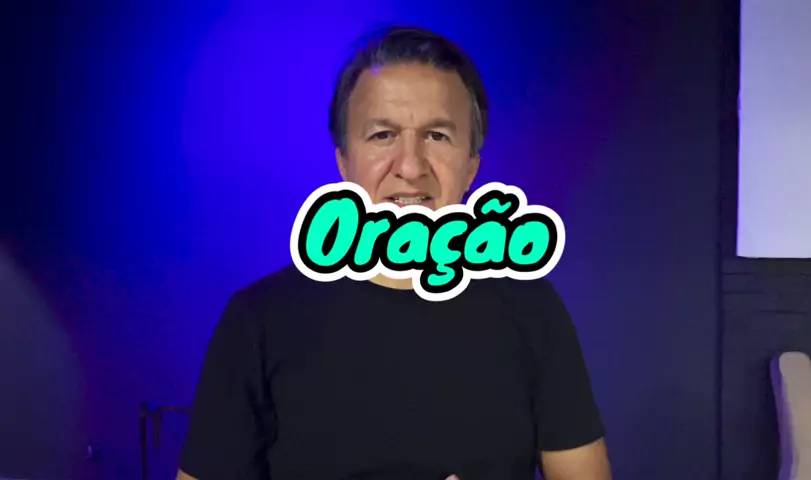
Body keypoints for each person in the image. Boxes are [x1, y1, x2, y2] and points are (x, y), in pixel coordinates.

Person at [177, 26, 611, 480]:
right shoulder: (259, 321)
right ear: (344, 162)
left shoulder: (531, 309)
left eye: (437, 136)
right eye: (383, 135)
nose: (410, 167)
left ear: (471, 167)